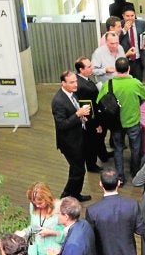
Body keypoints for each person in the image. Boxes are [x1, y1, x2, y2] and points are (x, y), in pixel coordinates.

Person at [96, 57, 145, 183]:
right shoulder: (135, 83)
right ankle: (135, 171)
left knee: (118, 148)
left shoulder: (108, 84)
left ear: (115, 69)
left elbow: (99, 101)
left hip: (115, 123)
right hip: (132, 122)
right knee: (135, 148)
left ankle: (120, 176)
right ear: (129, 68)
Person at [51, 70, 92, 202]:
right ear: (63, 83)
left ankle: (74, 194)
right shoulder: (58, 101)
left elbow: (73, 113)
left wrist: (81, 118)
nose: (76, 84)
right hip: (69, 143)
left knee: (77, 170)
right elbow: (61, 124)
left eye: (76, 81)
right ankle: (68, 196)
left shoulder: (72, 94)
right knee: (78, 171)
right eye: (72, 82)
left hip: (77, 139)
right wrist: (78, 115)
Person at [86, 168, 145, 255]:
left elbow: (90, 237)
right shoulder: (132, 205)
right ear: (118, 183)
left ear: (100, 184)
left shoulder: (92, 211)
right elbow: (140, 230)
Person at [74, 56, 109, 172]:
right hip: (91, 123)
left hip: (92, 119)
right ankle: (91, 165)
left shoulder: (84, 80)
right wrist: (96, 125)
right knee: (91, 144)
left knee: (97, 141)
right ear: (81, 70)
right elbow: (90, 110)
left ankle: (103, 155)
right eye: (89, 67)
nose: (92, 68)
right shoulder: (83, 87)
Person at [17, 182, 64, 254]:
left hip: (53, 251)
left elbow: (68, 234)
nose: (37, 206)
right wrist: (24, 232)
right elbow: (33, 227)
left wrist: (52, 232)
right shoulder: (33, 206)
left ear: (47, 198)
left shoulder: (60, 208)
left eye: (40, 203)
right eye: (34, 203)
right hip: (36, 249)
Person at [120, 7, 145, 82]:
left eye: (132, 15)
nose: (130, 18)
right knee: (126, 83)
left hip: (138, 60)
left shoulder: (140, 23)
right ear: (123, 16)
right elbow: (116, 40)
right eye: (127, 16)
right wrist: (124, 30)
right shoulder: (119, 25)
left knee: (138, 83)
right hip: (125, 61)